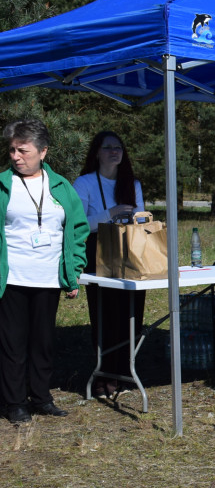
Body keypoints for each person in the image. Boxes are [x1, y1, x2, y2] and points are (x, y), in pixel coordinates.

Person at [1, 118, 89, 423]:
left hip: (49, 278)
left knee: (43, 341)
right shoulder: (3, 185)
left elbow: (78, 230)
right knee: (13, 343)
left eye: (22, 150)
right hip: (11, 278)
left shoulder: (61, 187)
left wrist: (73, 272)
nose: (15, 156)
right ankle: (14, 403)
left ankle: (41, 397)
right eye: (12, 150)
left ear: (43, 152)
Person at [73, 131, 146, 398]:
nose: (114, 151)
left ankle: (126, 372)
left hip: (131, 254)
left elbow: (142, 220)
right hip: (98, 255)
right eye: (108, 148)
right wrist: (110, 214)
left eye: (119, 147)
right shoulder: (84, 183)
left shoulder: (132, 183)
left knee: (131, 313)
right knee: (105, 314)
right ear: (96, 152)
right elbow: (78, 224)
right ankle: (105, 375)